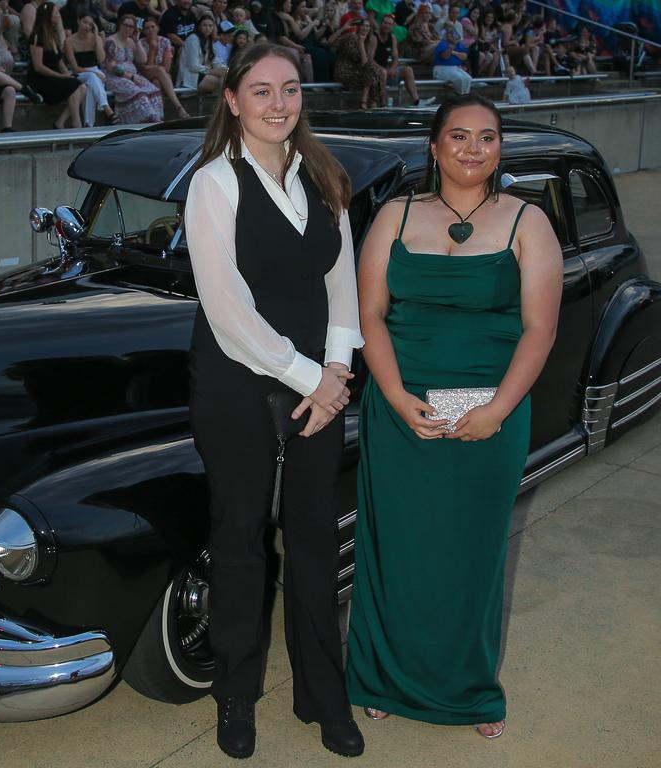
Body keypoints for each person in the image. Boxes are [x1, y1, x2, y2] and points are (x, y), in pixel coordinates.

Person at [347, 92, 562, 741]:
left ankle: (469, 691)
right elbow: (370, 316)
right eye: (460, 136)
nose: (474, 149)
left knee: (470, 554)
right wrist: (391, 393)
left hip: (491, 415)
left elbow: (540, 329)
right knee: (397, 549)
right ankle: (382, 679)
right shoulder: (393, 215)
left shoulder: (528, 221)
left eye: (488, 137)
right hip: (399, 407)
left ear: (501, 148)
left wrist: (497, 410)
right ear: (435, 147)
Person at [184, 40, 365, 761]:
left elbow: (342, 288)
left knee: (315, 540)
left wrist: (336, 375)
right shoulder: (212, 183)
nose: (278, 105)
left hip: (317, 385)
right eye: (261, 92)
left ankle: (323, 696)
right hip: (236, 384)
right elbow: (225, 310)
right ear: (233, 101)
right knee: (239, 541)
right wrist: (310, 379)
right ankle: (235, 696)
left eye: (289, 90)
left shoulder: (325, 177)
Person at [26, 1, 85, 128]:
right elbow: (38, 66)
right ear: (48, 16)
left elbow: (58, 60)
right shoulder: (37, 36)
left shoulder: (53, 35)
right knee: (75, 86)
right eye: (56, 13)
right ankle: (76, 123)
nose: (59, 16)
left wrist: (66, 74)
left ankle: (61, 122)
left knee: (82, 87)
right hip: (40, 79)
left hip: (54, 76)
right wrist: (60, 76)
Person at [103, 13, 161, 122]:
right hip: (115, 77)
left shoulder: (131, 41)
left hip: (133, 76)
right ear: (120, 25)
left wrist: (137, 41)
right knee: (139, 94)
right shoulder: (111, 41)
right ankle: (140, 122)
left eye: (131, 27)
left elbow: (142, 59)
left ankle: (155, 120)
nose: (128, 28)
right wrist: (130, 76)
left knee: (153, 91)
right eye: (126, 25)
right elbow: (110, 67)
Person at [64, 14, 118, 125]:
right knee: (92, 77)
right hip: (79, 72)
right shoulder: (69, 41)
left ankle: (88, 124)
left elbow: (101, 59)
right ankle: (107, 108)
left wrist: (97, 37)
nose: (87, 26)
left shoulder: (95, 38)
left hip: (94, 73)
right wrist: (93, 73)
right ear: (79, 21)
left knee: (90, 89)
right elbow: (75, 67)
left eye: (90, 24)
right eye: (85, 22)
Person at [370, 12, 434, 106]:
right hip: (373, 70)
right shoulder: (374, 38)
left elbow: (396, 58)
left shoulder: (392, 38)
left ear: (392, 26)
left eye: (389, 24)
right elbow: (370, 59)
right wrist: (385, 70)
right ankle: (382, 104)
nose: (387, 26)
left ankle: (417, 101)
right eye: (385, 23)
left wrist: (392, 68)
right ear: (381, 24)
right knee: (383, 72)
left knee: (407, 70)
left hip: (386, 69)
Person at [137, 15, 188, 117]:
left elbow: (167, 68)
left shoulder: (165, 42)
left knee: (157, 82)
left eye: (152, 27)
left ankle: (159, 116)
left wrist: (158, 71)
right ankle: (179, 107)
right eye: (147, 28)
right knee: (158, 70)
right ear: (143, 31)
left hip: (162, 76)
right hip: (144, 74)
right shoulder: (141, 43)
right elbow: (146, 67)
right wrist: (152, 49)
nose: (150, 30)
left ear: (157, 28)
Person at [335, 17, 384, 109]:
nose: (365, 28)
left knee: (374, 72)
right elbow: (330, 41)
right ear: (359, 27)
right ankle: (371, 103)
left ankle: (367, 102)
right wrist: (343, 29)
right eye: (363, 25)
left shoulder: (369, 41)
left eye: (368, 26)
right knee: (372, 72)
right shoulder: (349, 37)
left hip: (360, 73)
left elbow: (365, 63)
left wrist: (361, 43)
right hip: (345, 72)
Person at [176, 13, 225, 92]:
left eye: (210, 26)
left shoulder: (209, 41)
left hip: (203, 74)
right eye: (204, 25)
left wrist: (226, 69)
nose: (207, 28)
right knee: (221, 80)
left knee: (227, 74)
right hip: (191, 77)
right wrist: (210, 71)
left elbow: (216, 61)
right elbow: (193, 66)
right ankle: (226, 102)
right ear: (199, 26)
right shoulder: (193, 39)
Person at [432, 26, 470, 94]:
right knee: (460, 79)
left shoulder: (459, 45)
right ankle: (460, 97)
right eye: (450, 34)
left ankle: (464, 96)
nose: (453, 36)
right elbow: (445, 57)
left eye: (454, 34)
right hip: (442, 68)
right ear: (447, 35)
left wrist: (454, 52)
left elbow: (464, 56)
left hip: (455, 68)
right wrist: (451, 49)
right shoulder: (442, 43)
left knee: (468, 78)